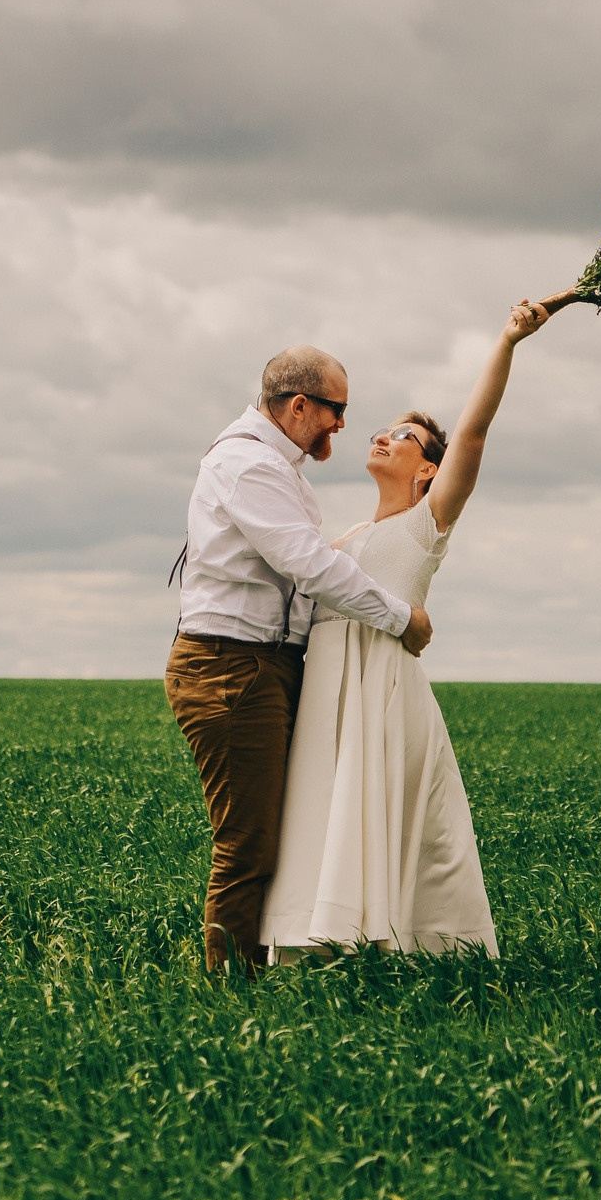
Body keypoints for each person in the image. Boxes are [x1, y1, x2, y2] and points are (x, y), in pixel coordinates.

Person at [261, 297, 554, 962]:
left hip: (383, 689)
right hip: (329, 689)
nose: (383, 437)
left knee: (388, 815)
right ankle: (316, 944)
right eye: (383, 429)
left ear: (428, 470)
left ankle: (409, 945)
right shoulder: (345, 535)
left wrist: (508, 342)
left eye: (404, 436)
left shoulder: (427, 524)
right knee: (323, 809)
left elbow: (473, 434)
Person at [167, 345, 436, 975]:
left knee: (270, 836)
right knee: (248, 843)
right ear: (298, 405)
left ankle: (262, 966)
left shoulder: (273, 466)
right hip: (233, 667)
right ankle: (227, 989)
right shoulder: (249, 466)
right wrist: (403, 619)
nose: (343, 424)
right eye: (337, 409)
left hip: (262, 665)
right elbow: (309, 567)